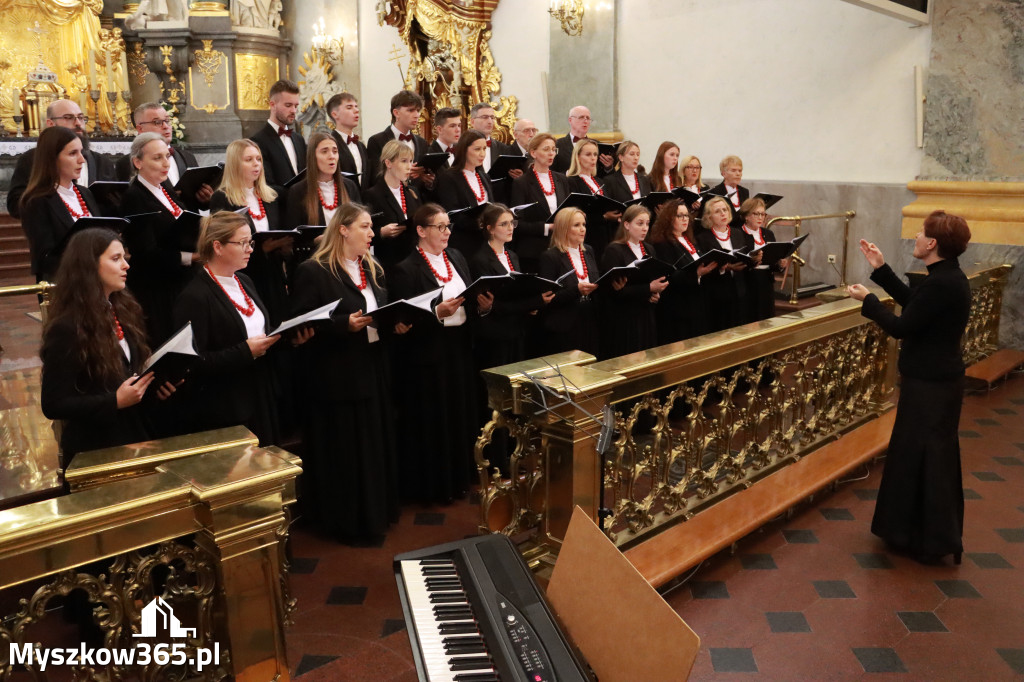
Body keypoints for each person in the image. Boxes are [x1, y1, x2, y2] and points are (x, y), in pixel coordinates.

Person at [847, 210, 972, 565]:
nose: (915, 236)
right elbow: (916, 307)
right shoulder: (944, 277)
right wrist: (881, 269)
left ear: (932, 244)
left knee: (927, 458)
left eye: (921, 233)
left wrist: (868, 302)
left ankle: (928, 538)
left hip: (932, 386)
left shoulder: (942, 283)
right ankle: (911, 533)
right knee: (917, 455)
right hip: (934, 382)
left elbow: (903, 327)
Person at [289, 203, 402, 544]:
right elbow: (301, 325)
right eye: (365, 227)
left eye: (371, 228)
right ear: (343, 230)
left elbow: (380, 306)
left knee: (374, 442)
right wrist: (342, 325)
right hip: (337, 375)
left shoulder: (371, 267)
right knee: (348, 449)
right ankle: (349, 521)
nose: (371, 233)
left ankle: (378, 511)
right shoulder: (315, 270)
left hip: (372, 365)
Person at [39, 228, 172, 466]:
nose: (126, 266)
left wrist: (154, 386)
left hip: (132, 437)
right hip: (95, 451)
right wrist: (115, 401)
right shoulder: (67, 327)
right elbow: (53, 403)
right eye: (115, 259)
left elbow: (126, 373)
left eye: (124, 257)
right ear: (89, 266)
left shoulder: (121, 309)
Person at [390, 203, 485, 505]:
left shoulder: (455, 256)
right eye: (440, 227)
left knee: (460, 413)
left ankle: (460, 477)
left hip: (459, 346)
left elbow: (468, 295)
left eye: (448, 226)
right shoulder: (406, 269)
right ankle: (435, 486)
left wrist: (483, 306)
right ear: (421, 231)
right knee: (435, 419)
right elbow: (402, 324)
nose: (446, 232)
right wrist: (435, 313)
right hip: (429, 355)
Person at [172, 211, 285, 445]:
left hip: (260, 396)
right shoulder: (195, 296)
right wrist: (245, 352)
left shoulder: (244, 281)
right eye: (242, 243)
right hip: (226, 409)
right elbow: (191, 363)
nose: (250, 249)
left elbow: (259, 330)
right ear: (218, 247)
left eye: (250, 242)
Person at [118, 132, 199, 344]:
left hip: (177, 281)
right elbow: (145, 253)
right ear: (138, 162)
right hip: (156, 288)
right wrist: (192, 257)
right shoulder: (134, 196)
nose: (166, 163)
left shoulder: (165, 188)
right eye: (157, 158)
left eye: (167, 156)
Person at [210, 139, 289, 324]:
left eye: (259, 159)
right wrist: (262, 249)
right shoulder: (222, 198)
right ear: (235, 164)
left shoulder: (270, 196)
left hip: (273, 274)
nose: (256, 164)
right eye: (249, 160)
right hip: (245, 275)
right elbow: (222, 243)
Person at [470, 203, 554, 367]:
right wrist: (533, 302)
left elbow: (516, 292)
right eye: (504, 224)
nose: (511, 228)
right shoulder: (480, 260)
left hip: (517, 329)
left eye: (512, 223)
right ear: (490, 229)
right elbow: (494, 304)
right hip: (496, 334)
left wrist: (530, 303)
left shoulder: (512, 256)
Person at [18, 126, 102, 282]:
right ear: (52, 158)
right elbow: (44, 258)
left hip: (96, 280)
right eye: (72, 153)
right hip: (64, 285)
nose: (82, 160)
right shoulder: (36, 201)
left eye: (81, 152)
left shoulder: (85, 193)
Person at [8, 99, 116, 218]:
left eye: (81, 117)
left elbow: (113, 205)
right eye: (68, 117)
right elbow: (16, 205)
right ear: (51, 124)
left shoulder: (102, 162)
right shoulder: (32, 159)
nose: (78, 123)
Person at [599, 204, 668, 359]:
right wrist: (648, 288)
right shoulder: (615, 250)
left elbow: (652, 280)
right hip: (624, 318)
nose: (645, 228)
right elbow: (613, 291)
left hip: (645, 314)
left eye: (647, 224)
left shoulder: (649, 249)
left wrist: (655, 293)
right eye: (640, 223)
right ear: (627, 224)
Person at [116, 102, 213, 210]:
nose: (166, 126)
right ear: (140, 129)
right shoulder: (127, 163)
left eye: (167, 121)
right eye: (157, 122)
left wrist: (205, 198)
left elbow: (198, 204)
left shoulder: (187, 157)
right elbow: (129, 205)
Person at [536, 207, 599, 356]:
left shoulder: (588, 251)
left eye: (583, 225)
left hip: (589, 319)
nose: (582, 229)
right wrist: (576, 291)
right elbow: (548, 298)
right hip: (565, 324)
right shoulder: (550, 257)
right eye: (576, 225)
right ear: (564, 228)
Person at [650, 198, 715, 343]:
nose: (685, 219)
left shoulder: (690, 240)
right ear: (668, 218)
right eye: (679, 216)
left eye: (686, 215)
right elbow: (670, 276)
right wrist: (697, 274)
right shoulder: (663, 245)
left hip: (696, 303)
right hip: (677, 307)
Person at [510, 132, 571, 273]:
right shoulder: (521, 183)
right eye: (546, 149)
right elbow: (517, 223)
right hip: (534, 251)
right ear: (533, 152)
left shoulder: (561, 179)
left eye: (553, 149)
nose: (551, 153)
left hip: (560, 247)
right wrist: (546, 227)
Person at [434, 129, 496, 257]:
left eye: (484, 149)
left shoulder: (484, 177)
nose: (482, 154)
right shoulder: (449, 177)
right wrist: (478, 224)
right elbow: (452, 213)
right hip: (464, 244)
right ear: (464, 150)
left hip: (487, 242)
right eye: (477, 149)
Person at [363, 140, 423, 271]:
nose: (409, 166)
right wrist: (381, 232)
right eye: (404, 161)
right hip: (390, 263)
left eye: (411, 161)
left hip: (414, 261)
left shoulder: (412, 192)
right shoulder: (372, 195)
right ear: (388, 163)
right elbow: (362, 232)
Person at [285, 131, 360, 229]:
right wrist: (316, 240)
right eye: (324, 151)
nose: (331, 156)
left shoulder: (349, 186)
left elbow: (359, 223)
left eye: (335, 151)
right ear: (313, 157)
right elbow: (295, 236)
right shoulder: (298, 191)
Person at [695, 196, 748, 332]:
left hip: (738, 291)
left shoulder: (737, 233)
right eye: (717, 211)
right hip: (716, 293)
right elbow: (704, 265)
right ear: (709, 217)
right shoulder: (703, 238)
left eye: (725, 210)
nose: (723, 213)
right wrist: (725, 267)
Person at [250, 79, 307, 199]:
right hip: (279, 210)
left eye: (296, 106)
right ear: (272, 105)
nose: (293, 111)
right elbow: (266, 186)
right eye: (288, 105)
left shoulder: (299, 139)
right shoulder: (258, 142)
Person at [566, 138, 620, 261]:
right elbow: (575, 213)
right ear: (578, 157)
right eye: (588, 154)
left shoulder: (600, 181)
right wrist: (604, 217)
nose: (593, 158)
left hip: (605, 235)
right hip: (587, 236)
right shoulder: (572, 181)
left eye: (595, 154)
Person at [366, 89, 431, 185]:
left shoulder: (422, 143)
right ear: (396, 113)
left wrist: (428, 180)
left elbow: (425, 182)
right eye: (410, 110)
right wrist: (405, 173)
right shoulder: (377, 141)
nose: (417, 115)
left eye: (418, 110)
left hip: (416, 198)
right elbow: (375, 177)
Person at [738, 196, 784, 322]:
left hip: (766, 281)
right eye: (756, 214)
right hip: (748, 281)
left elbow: (773, 260)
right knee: (750, 319)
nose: (760, 217)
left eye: (763, 214)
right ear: (746, 216)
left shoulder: (768, 234)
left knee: (766, 318)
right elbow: (738, 259)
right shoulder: (738, 234)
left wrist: (780, 264)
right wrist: (753, 260)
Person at [326, 92, 372, 194]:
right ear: (335, 114)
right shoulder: (330, 144)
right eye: (349, 107)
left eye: (356, 107)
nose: (356, 110)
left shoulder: (361, 146)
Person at [552, 105, 613, 175]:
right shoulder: (557, 144)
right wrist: (569, 173)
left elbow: (602, 176)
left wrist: (608, 168)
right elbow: (551, 172)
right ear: (570, 120)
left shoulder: (598, 145)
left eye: (588, 118)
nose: (585, 121)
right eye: (581, 117)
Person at [468, 101, 515, 174]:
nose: (490, 121)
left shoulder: (504, 149)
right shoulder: (462, 147)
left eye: (492, 117)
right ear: (472, 121)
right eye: (485, 117)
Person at [601, 140, 651, 204]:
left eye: (638, 154)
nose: (636, 158)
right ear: (621, 157)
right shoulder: (610, 181)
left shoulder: (644, 179)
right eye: (632, 154)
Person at [708, 155, 749, 224]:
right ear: (723, 173)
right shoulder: (715, 192)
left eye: (740, 170)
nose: (738, 174)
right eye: (733, 170)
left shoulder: (744, 191)